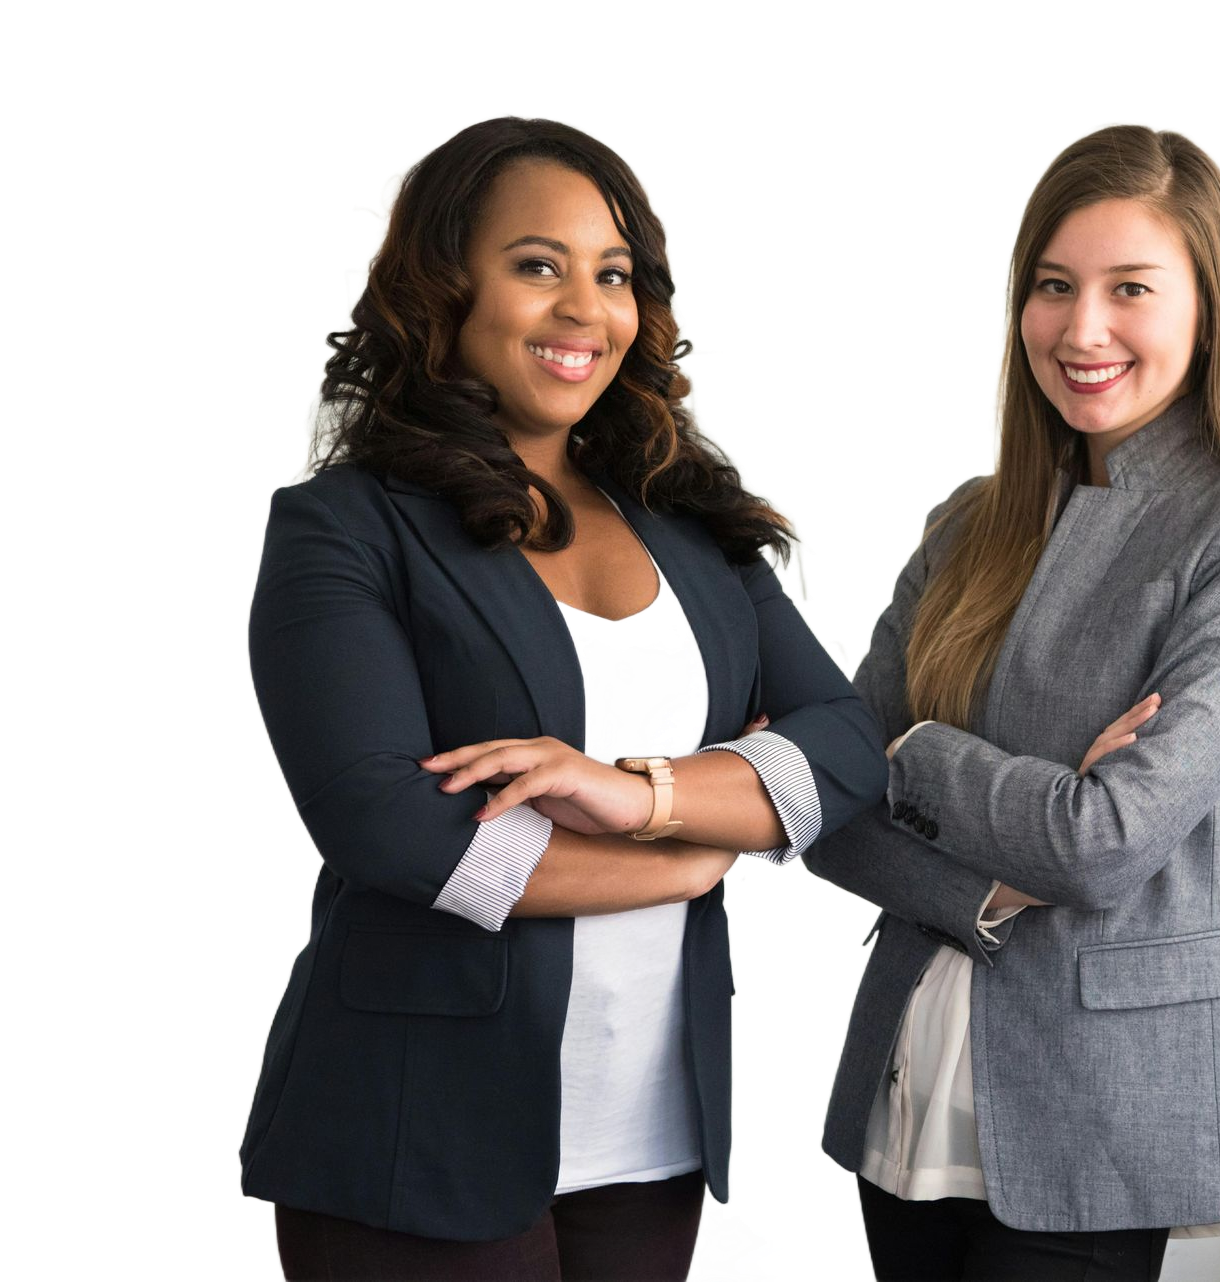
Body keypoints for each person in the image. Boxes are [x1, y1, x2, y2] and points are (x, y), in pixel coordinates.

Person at [236, 113, 886, 1282]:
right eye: (539, 265)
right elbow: (390, 827)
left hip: (652, 1130)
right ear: (445, 287)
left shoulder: (691, 522)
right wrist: (691, 854)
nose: (586, 307)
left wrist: (636, 797)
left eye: (614, 273)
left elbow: (844, 748)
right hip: (414, 1130)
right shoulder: (343, 526)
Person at [796, 120, 1220, 1280]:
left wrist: (918, 751)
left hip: (1104, 1099)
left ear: (1209, 306)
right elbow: (826, 806)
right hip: (912, 1074)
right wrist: (983, 881)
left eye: (1129, 288)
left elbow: (1103, 845)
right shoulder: (967, 519)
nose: (1080, 329)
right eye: (1052, 286)